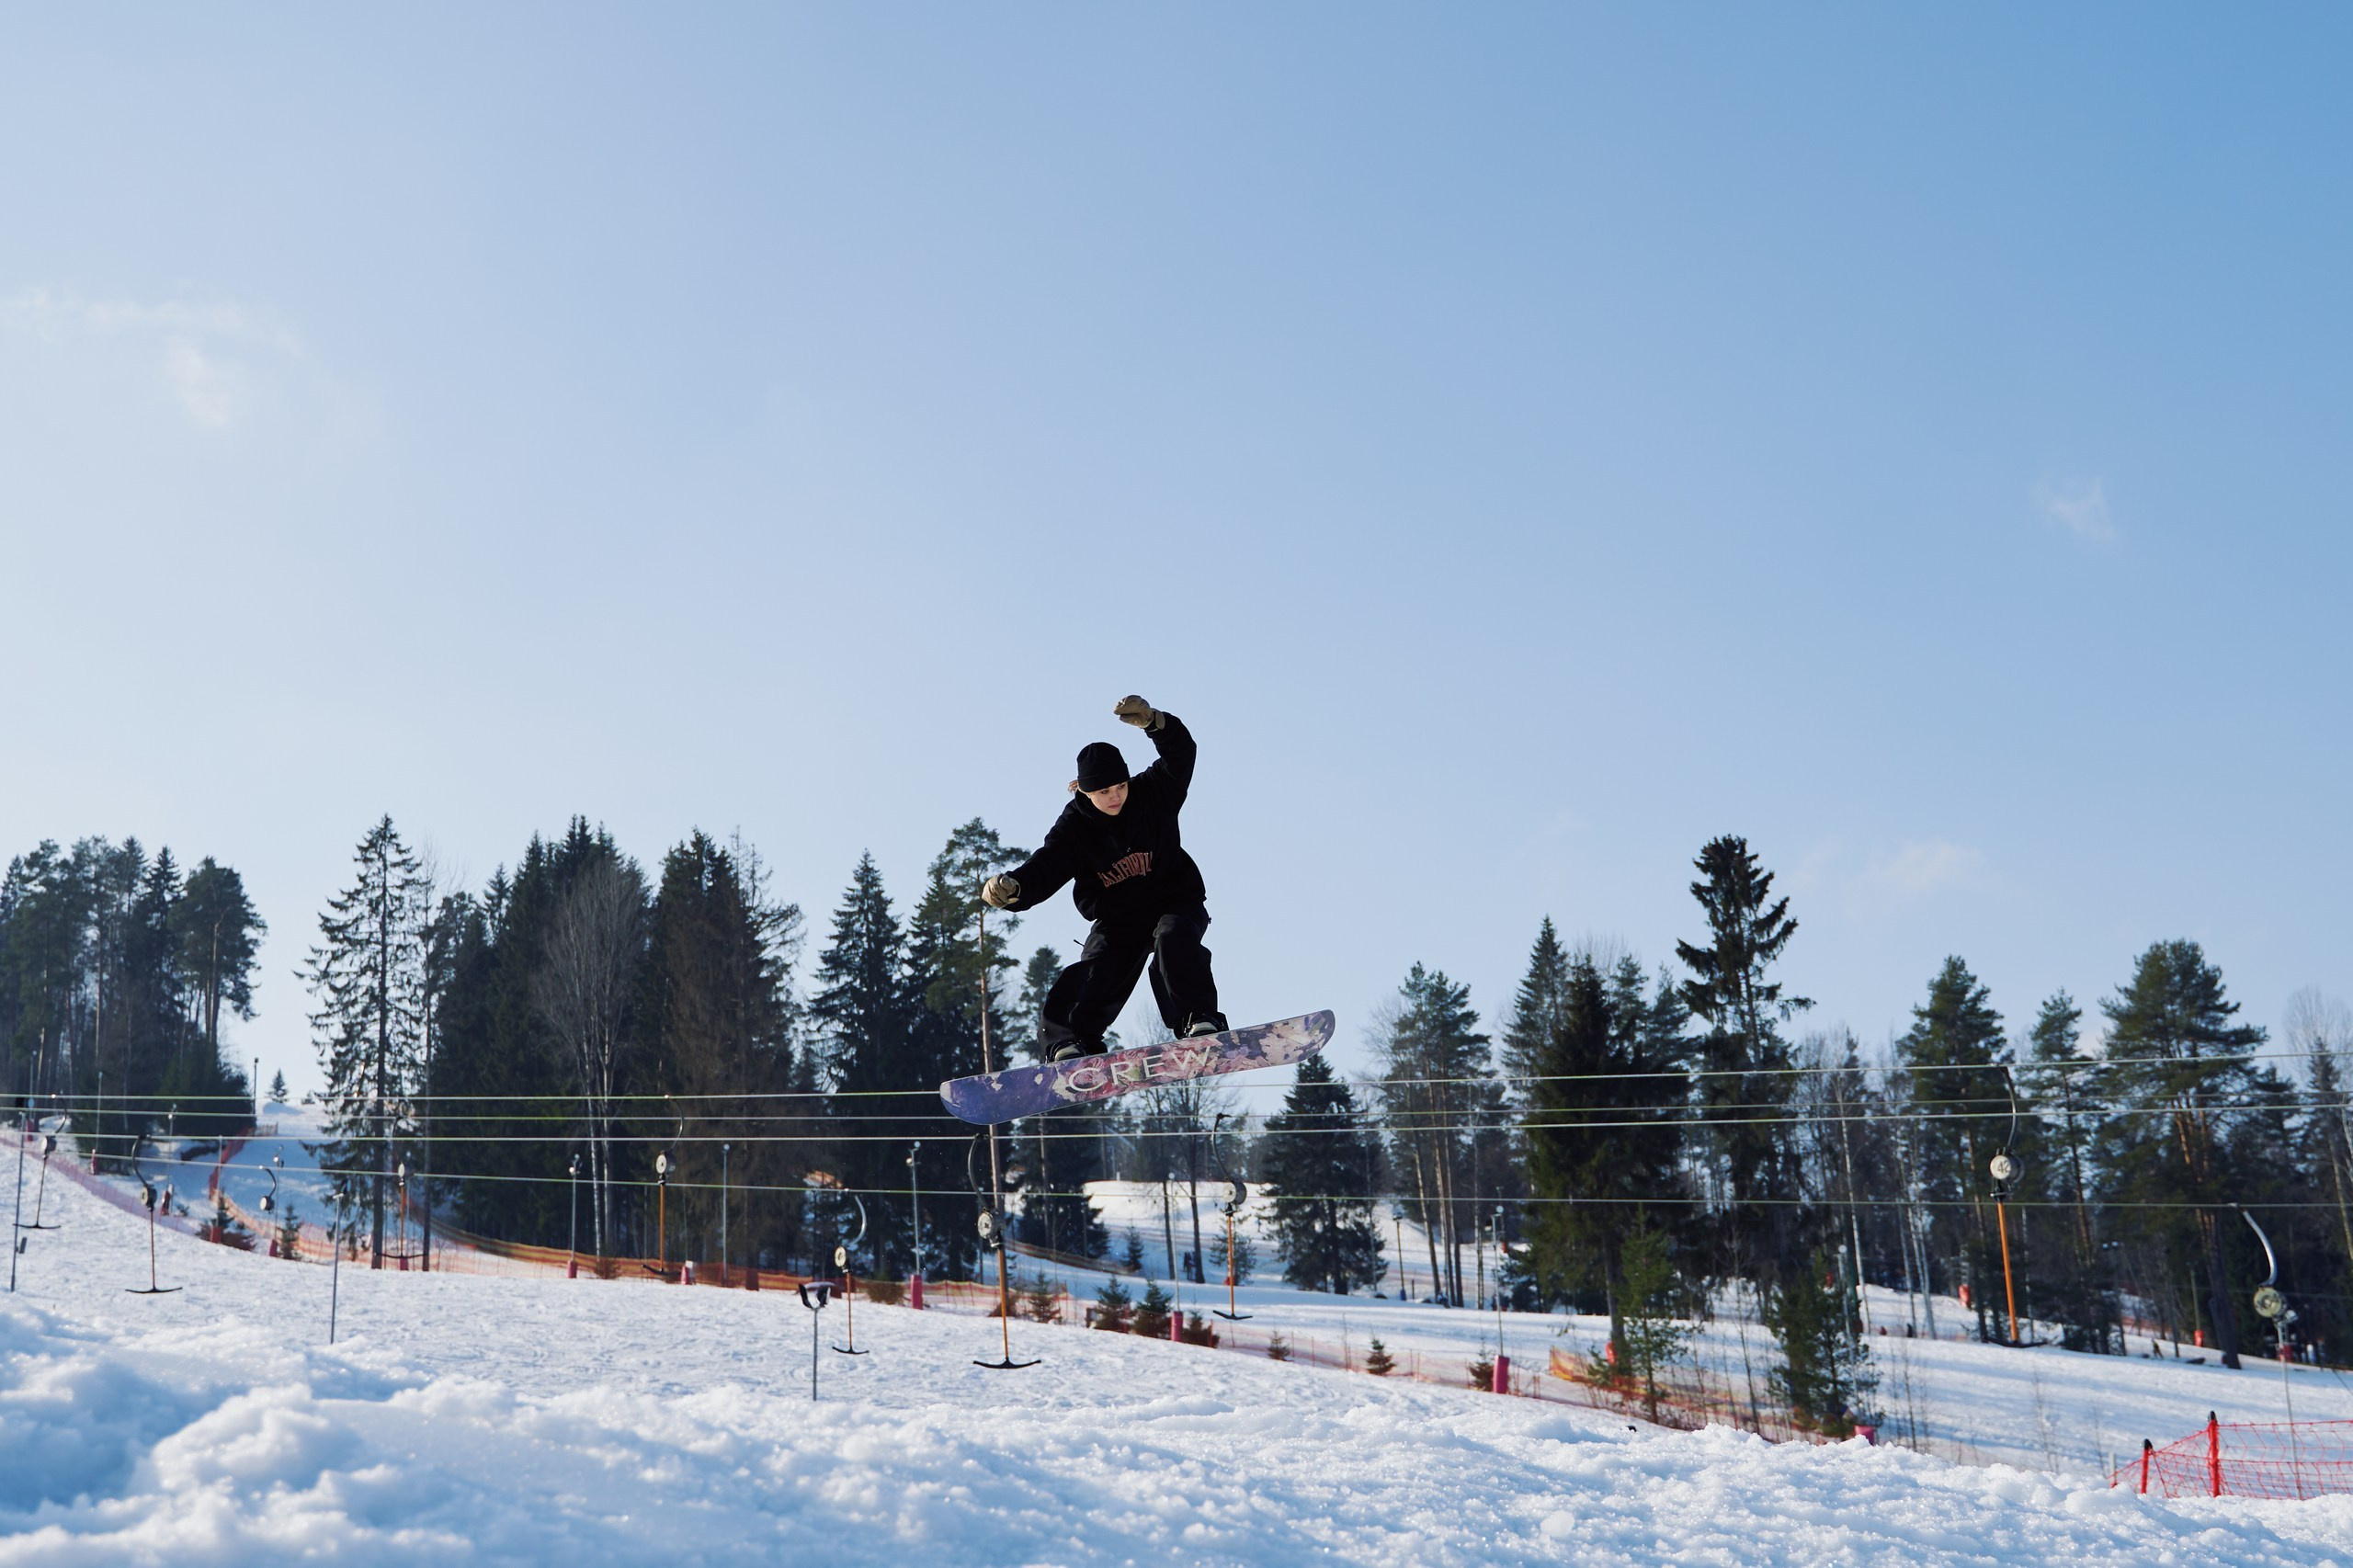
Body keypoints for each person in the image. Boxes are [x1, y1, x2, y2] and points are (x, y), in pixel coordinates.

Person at [983, 695, 1228, 1060]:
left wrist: (1155, 722)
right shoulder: (1075, 826)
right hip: (1118, 918)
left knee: (1176, 941)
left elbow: (1181, 754)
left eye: (1120, 787)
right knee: (1097, 968)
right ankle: (1070, 1041)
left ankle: (1198, 1019)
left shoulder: (1153, 792)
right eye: (1103, 792)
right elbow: (1049, 864)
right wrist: (1016, 888)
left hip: (1175, 900)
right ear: (1084, 790)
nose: (1115, 797)